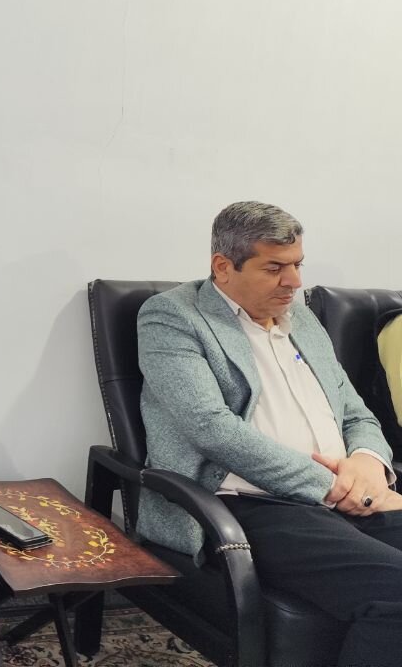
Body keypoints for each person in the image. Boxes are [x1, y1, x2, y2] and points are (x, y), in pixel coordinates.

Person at [139, 200, 402, 665]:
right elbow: (210, 427)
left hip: (345, 493)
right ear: (223, 267)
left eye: (298, 264)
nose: (294, 281)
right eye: (275, 268)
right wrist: (335, 487)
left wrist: (368, 463)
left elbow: (354, 410)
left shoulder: (302, 318)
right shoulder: (173, 317)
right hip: (252, 503)